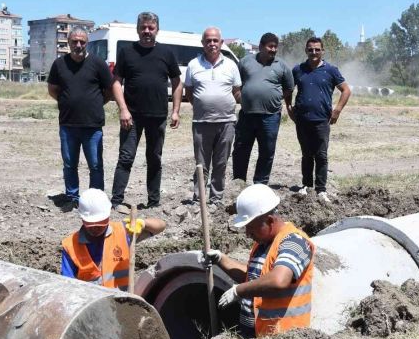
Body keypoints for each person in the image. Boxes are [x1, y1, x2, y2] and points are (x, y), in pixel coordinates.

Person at [198, 184, 315, 338]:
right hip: (258, 336)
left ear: (270, 220)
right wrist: (221, 259)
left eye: (251, 227)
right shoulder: (263, 243)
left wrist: (238, 291)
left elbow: (278, 281)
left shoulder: (295, 242)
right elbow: (253, 279)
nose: (247, 234)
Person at [111, 12, 183, 212]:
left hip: (157, 117)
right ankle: (116, 201)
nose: (147, 31)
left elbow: (177, 83)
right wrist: (123, 109)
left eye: (151, 28)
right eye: (143, 27)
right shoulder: (126, 52)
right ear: (137, 29)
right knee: (126, 157)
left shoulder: (166, 54)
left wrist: (176, 110)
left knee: (154, 159)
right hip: (131, 117)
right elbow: (116, 82)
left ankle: (153, 202)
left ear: (157, 30)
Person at [47, 26, 112, 210]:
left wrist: (95, 103)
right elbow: (53, 89)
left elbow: (108, 91)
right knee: (69, 164)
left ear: (87, 42)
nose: (78, 45)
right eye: (74, 41)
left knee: (96, 165)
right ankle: (72, 197)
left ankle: (96, 199)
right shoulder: (59, 64)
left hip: (92, 126)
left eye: (82, 41)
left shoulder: (99, 64)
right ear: (68, 42)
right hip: (68, 125)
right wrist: (67, 101)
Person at [60, 188, 166, 290]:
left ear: (108, 214)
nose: (96, 228)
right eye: (91, 224)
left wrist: (143, 223)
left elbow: (161, 226)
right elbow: (67, 286)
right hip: (91, 305)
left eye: (101, 223)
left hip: (123, 302)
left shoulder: (123, 231)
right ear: (82, 218)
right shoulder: (71, 245)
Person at [183, 27, 241, 209]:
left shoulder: (231, 65)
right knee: (201, 164)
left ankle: (216, 199)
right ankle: (198, 198)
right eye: (208, 40)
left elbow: (237, 91)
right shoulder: (193, 65)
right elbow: (189, 92)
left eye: (215, 40)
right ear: (203, 43)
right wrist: (203, 106)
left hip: (226, 123)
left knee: (221, 163)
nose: (212, 44)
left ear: (221, 43)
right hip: (201, 123)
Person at [291, 37, 351, 202]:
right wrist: (289, 108)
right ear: (306, 51)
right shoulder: (298, 70)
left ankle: (321, 190)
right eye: (310, 49)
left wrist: (337, 110)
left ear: (322, 51)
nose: (314, 52)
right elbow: (288, 90)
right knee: (306, 154)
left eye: (317, 49)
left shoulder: (331, 70)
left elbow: (346, 90)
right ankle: (306, 186)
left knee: (321, 155)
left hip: (322, 120)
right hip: (302, 119)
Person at [231, 33, 294, 185]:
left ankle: (260, 183)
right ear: (260, 46)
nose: (273, 49)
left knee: (267, 151)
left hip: (270, 117)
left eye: (275, 47)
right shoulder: (245, 62)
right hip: (247, 115)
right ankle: (239, 182)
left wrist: (275, 98)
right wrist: (242, 99)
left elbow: (289, 88)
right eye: (270, 46)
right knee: (240, 149)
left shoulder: (282, 65)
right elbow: (236, 84)